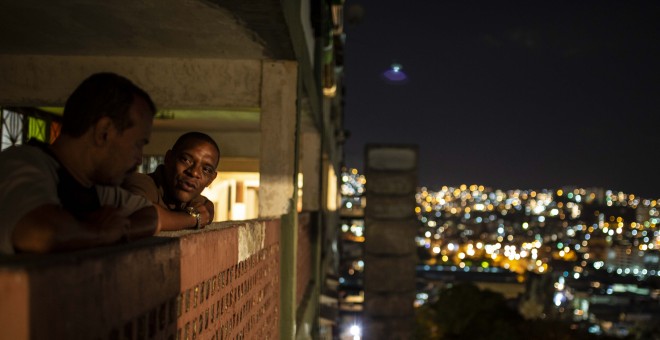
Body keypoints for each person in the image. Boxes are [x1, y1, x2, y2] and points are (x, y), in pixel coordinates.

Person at [0, 72, 159, 255]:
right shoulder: (22, 163)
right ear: (103, 132)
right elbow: (37, 234)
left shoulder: (96, 188)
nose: (139, 158)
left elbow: (152, 216)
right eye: (138, 144)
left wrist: (121, 230)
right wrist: (101, 233)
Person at [122, 132, 219, 230]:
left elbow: (207, 207)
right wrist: (193, 218)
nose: (194, 173)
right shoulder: (139, 182)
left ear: (211, 179)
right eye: (186, 160)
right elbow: (143, 216)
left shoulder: (188, 195)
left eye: (206, 170)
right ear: (168, 158)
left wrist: (205, 212)